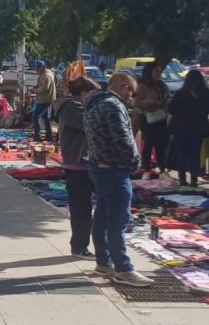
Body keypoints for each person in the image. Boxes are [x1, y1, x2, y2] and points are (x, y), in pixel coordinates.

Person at [84, 72, 154, 287]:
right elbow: (123, 139)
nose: (131, 97)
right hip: (114, 168)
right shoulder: (113, 106)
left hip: (100, 166)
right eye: (131, 92)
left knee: (103, 216)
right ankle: (123, 268)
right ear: (123, 87)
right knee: (117, 221)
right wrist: (135, 162)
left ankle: (104, 261)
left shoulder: (93, 104)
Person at [54, 77, 100, 260]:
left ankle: (82, 245)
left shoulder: (75, 106)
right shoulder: (73, 107)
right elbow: (91, 125)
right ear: (83, 93)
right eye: (93, 94)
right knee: (81, 208)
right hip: (79, 163)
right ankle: (80, 246)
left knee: (85, 207)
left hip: (83, 162)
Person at [168, 70, 209, 187]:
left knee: (181, 155)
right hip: (198, 129)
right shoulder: (205, 93)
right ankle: (194, 181)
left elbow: (171, 109)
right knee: (194, 155)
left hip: (180, 129)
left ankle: (182, 181)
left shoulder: (180, 93)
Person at [134, 61, 171, 173]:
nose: (159, 73)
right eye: (156, 71)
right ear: (149, 72)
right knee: (149, 142)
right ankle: (146, 167)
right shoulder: (142, 84)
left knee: (161, 142)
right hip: (146, 117)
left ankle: (161, 167)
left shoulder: (160, 84)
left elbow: (167, 97)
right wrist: (153, 102)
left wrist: (166, 100)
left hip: (160, 117)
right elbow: (136, 102)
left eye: (160, 71)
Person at [31, 60, 57, 143]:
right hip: (43, 99)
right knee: (45, 117)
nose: (36, 70)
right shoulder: (43, 74)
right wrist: (35, 88)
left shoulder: (47, 75)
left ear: (42, 67)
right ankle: (48, 136)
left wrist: (35, 91)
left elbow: (44, 88)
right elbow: (40, 86)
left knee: (35, 116)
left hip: (45, 100)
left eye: (38, 68)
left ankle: (37, 136)